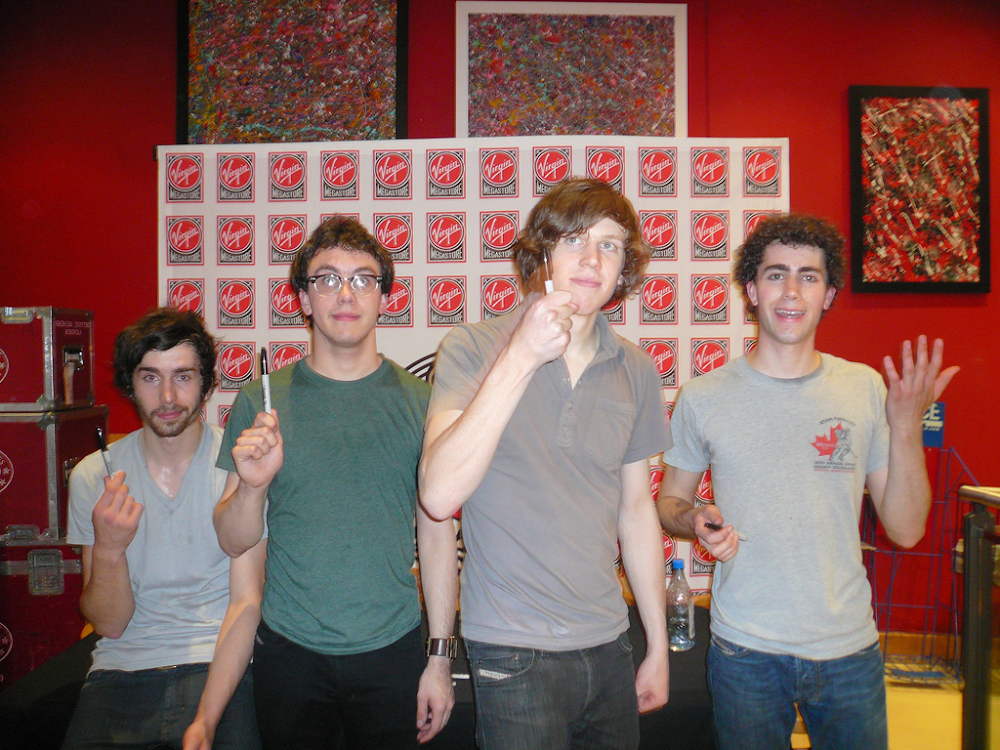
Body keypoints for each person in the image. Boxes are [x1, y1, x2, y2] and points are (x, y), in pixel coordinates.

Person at [656, 213, 960, 750]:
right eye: (776, 275)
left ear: (829, 295)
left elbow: (907, 529)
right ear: (752, 290)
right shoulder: (704, 396)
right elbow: (670, 502)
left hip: (848, 649)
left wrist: (906, 427)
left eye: (809, 276)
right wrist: (694, 518)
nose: (791, 291)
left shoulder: (864, 388)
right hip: (744, 650)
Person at [420, 177, 670, 750]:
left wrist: (656, 644)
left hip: (610, 643)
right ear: (542, 254)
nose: (592, 258)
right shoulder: (472, 347)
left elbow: (637, 511)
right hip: (512, 650)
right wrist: (522, 355)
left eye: (609, 245)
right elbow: (437, 494)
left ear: (624, 267)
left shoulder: (635, 368)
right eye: (574, 239)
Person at [212, 215, 458, 750]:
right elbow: (232, 540)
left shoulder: (422, 404)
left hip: (392, 648)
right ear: (303, 298)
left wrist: (440, 659)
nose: (346, 293)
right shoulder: (260, 402)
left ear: (384, 298)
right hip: (288, 654)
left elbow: (438, 535)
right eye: (327, 278)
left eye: (363, 279)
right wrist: (253, 487)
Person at [63, 308, 263, 750]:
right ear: (129, 384)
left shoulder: (241, 465)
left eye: (183, 376)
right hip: (121, 665)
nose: (168, 396)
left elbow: (248, 601)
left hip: (222, 663)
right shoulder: (95, 476)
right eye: (150, 377)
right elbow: (109, 624)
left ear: (208, 384)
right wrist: (110, 549)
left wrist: (206, 719)